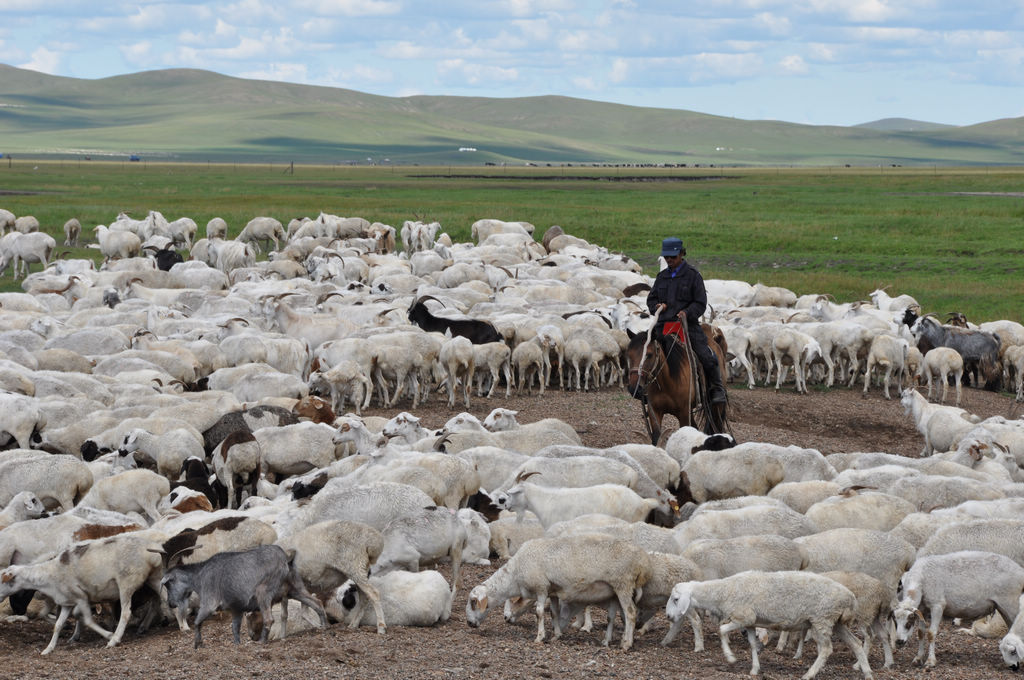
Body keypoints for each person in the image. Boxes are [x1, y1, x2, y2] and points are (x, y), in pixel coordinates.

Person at [646, 236, 727, 405]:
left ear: (681, 254)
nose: (669, 260)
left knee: (707, 356)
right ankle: (646, 388)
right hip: (663, 326)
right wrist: (657, 307)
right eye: (666, 257)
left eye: (673, 257)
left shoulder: (693, 276)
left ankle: (716, 389)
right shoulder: (661, 277)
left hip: (687, 326)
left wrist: (687, 312)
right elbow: (651, 299)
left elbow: (700, 303)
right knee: (645, 353)